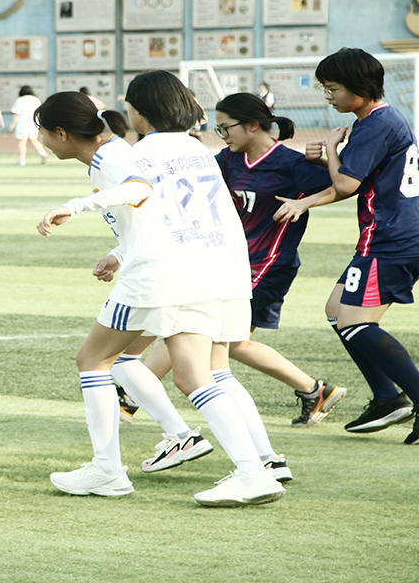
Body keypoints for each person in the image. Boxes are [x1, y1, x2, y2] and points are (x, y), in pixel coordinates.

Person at [37, 76, 285, 507]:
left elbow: (139, 191)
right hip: (208, 267)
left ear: (139, 111)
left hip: (159, 273)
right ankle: (255, 469)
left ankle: (108, 470)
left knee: (94, 360)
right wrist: (120, 251)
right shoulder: (194, 147)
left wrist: (73, 207)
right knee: (197, 375)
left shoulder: (136, 152)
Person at [275, 48, 419, 445]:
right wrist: (324, 162)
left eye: (333, 88)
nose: (328, 96)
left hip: (394, 238)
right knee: (336, 310)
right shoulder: (377, 120)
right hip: (392, 236)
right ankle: (387, 398)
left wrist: (329, 153)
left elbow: (345, 184)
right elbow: (353, 175)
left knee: (355, 322)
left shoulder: (375, 125)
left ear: (359, 88)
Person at [138, 92, 346, 428]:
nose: (222, 135)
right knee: (231, 342)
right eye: (218, 129)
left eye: (226, 127)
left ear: (252, 125)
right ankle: (314, 390)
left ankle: (130, 397)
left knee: (195, 325)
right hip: (233, 261)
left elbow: (342, 186)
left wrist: (309, 191)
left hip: (268, 264)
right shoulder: (228, 159)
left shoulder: (290, 164)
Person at [9, 86, 47, 165]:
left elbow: (17, 113)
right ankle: (43, 153)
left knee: (22, 141)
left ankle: (22, 159)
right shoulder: (36, 100)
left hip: (23, 123)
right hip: (33, 123)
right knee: (33, 139)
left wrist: (13, 124)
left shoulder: (20, 100)